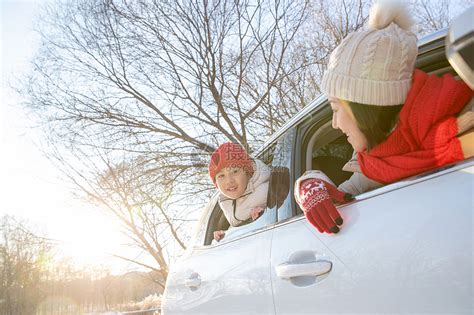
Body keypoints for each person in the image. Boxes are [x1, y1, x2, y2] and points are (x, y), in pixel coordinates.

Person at [295, 0, 474, 235]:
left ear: (366, 104)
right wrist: (307, 183)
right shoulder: (376, 163)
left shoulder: (467, 114)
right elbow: (339, 193)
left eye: (336, 108)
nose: (335, 124)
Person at [209, 142, 271, 241]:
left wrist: (265, 213)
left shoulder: (269, 188)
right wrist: (226, 234)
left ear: (247, 172)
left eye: (235, 171)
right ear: (216, 182)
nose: (229, 181)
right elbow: (239, 225)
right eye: (221, 176)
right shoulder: (225, 202)